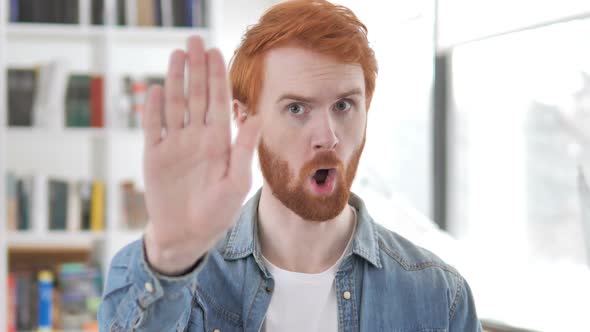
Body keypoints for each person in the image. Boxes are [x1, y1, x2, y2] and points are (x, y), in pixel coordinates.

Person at [97, 0, 481, 331]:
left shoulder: (439, 296)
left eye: (344, 105)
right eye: (296, 108)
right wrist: (169, 259)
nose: (327, 136)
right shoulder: (169, 276)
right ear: (244, 117)